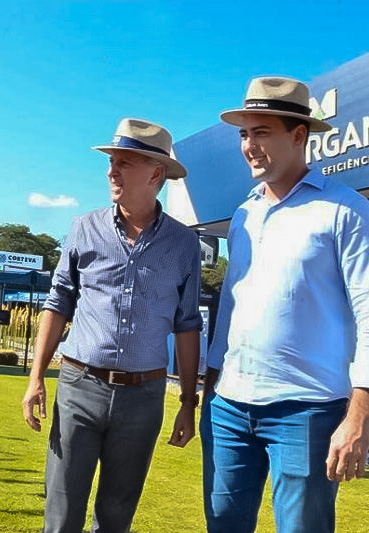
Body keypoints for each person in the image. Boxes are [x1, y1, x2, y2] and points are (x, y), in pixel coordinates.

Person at [202, 76, 369, 533]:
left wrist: (359, 416)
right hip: (228, 407)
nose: (249, 146)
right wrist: (209, 388)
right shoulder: (244, 213)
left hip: (309, 412)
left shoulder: (346, 210)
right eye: (243, 134)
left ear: (300, 135)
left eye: (261, 132)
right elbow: (233, 307)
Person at [22, 118, 203, 533]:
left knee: (116, 518)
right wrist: (35, 378)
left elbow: (188, 323)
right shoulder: (83, 228)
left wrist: (189, 404)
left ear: (156, 173)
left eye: (124, 162)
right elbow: (58, 303)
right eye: (110, 162)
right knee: (62, 515)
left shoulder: (183, 243)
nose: (111, 171)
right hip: (79, 387)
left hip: (144, 398)